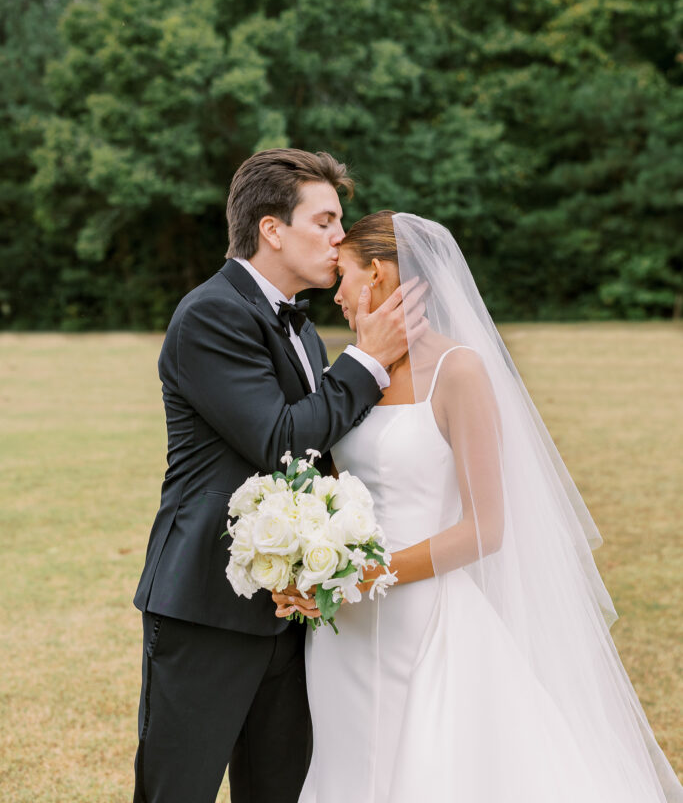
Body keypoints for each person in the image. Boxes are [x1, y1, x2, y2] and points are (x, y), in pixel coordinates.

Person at [275, 210, 683, 803]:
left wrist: (371, 573)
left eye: (344, 275)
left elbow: (484, 529)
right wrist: (310, 562)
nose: (335, 295)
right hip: (345, 628)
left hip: (424, 617)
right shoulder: (349, 371)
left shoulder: (458, 371)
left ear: (380, 276)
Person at [131, 153, 427, 803]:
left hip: (290, 608)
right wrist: (369, 360)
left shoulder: (300, 327)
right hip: (206, 605)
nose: (338, 237)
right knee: (177, 789)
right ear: (272, 230)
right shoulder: (210, 314)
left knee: (280, 789)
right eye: (324, 221)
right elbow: (281, 440)